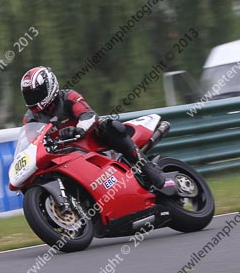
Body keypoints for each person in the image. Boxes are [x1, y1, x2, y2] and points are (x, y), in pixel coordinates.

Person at [20, 66, 166, 188]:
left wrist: (79, 129)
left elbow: (88, 115)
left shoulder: (68, 97)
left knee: (107, 126)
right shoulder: (30, 118)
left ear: (49, 86)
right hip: (62, 155)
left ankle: (147, 167)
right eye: (29, 96)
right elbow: (32, 142)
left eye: (36, 94)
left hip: (90, 143)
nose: (33, 99)